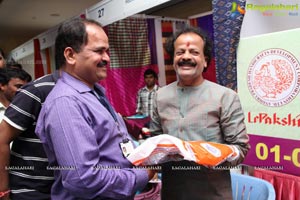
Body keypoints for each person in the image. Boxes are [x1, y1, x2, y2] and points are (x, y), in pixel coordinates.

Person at [35, 18, 155, 200]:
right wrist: (142, 175)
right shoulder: (65, 103)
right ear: (70, 55)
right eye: (99, 51)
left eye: (107, 51)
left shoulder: (94, 93)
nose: (107, 58)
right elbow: (83, 179)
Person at [149, 26, 250, 200]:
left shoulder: (225, 97)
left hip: (212, 193)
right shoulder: (160, 96)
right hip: (172, 193)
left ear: (205, 61)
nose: (186, 56)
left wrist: (208, 155)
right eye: (180, 52)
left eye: (194, 52)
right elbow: (156, 141)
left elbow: (240, 149)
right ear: (173, 59)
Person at [0, 67, 60, 199]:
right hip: (26, 188)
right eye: (18, 86)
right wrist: (3, 192)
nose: (21, 90)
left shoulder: (95, 93)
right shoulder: (36, 92)